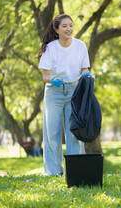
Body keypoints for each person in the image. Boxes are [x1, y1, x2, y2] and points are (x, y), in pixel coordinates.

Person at [37, 14, 91, 176]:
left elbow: (84, 69)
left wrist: (87, 76)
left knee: (74, 132)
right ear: (57, 29)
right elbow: (45, 76)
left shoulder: (80, 46)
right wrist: (53, 79)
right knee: (52, 132)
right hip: (54, 92)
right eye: (65, 26)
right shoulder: (51, 48)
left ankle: (76, 170)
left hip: (74, 91)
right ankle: (54, 171)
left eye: (71, 25)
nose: (69, 29)